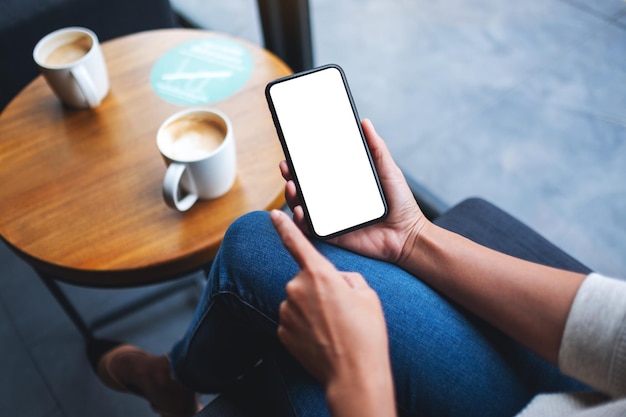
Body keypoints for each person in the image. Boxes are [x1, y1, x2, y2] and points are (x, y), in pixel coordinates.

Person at [93, 119, 626, 417]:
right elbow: (614, 332)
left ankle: (171, 378)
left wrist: (358, 375)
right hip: (582, 390)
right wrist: (411, 237)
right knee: (258, 244)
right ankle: (171, 377)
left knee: (288, 327)